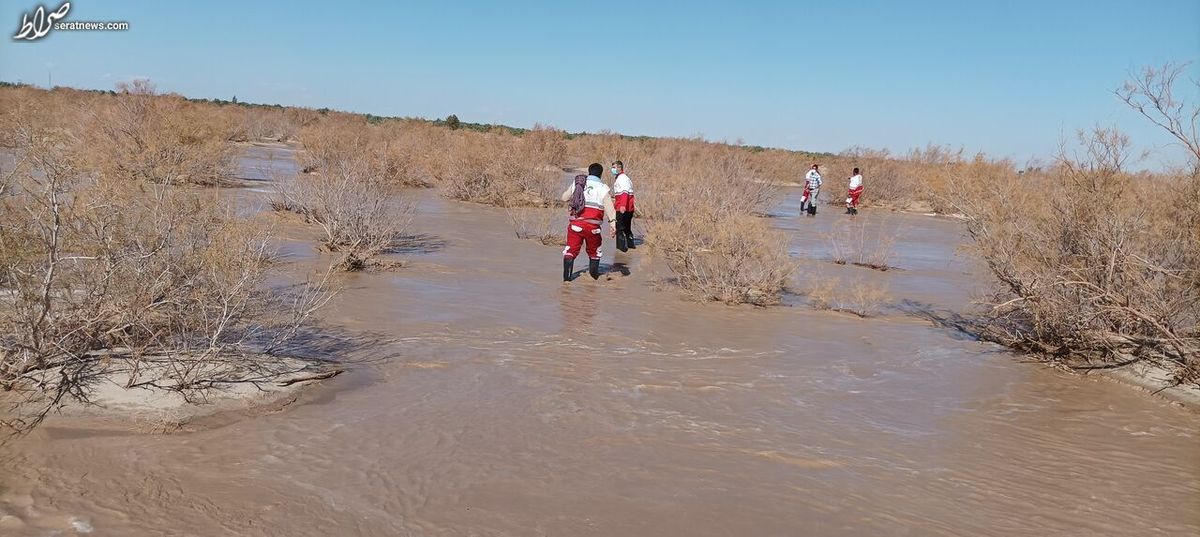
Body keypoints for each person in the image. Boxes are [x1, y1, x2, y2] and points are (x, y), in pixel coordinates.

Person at [560, 163, 617, 281]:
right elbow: (610, 209)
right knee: (594, 252)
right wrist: (613, 225)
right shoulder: (603, 188)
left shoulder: (578, 183)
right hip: (593, 227)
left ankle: (567, 280)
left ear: (588, 172)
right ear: (600, 174)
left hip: (576, 225)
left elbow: (564, 198)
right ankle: (593, 277)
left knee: (570, 251)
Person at [610, 160, 636, 251]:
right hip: (628, 208)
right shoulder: (623, 178)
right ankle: (631, 245)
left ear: (619, 168)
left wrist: (622, 206)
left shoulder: (622, 178)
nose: (612, 169)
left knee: (619, 228)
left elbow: (625, 193)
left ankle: (621, 249)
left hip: (623, 208)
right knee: (627, 228)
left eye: (614, 167)